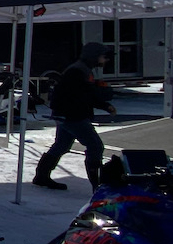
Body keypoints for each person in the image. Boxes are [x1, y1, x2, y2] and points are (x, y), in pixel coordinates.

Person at [33, 42, 117, 190]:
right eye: (104, 57)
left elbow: (83, 93)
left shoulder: (81, 69)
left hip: (66, 115)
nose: (106, 60)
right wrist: (103, 103)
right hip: (73, 116)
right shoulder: (78, 71)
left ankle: (41, 176)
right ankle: (98, 185)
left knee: (61, 145)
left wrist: (102, 103)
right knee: (95, 146)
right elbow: (83, 95)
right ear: (94, 56)